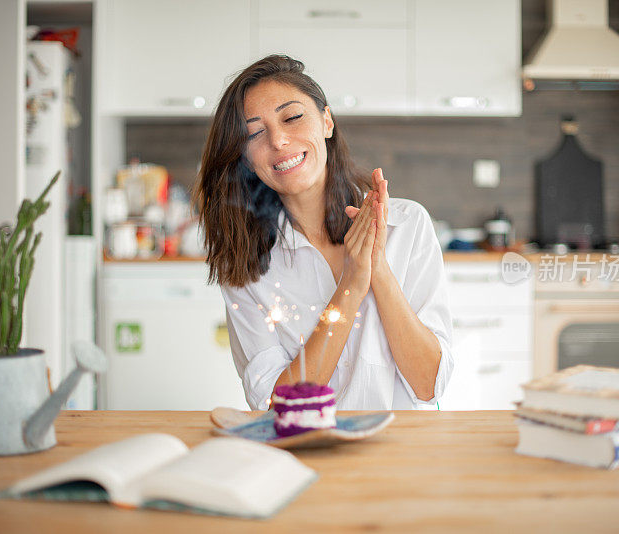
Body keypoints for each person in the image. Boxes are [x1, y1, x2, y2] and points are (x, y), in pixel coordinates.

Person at [193, 55, 453, 410]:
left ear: (326, 122)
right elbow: (276, 404)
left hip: (403, 453)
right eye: (255, 132)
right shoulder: (245, 264)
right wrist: (351, 284)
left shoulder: (406, 226)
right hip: (307, 451)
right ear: (245, 157)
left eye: (292, 117)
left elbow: (428, 386)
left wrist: (376, 267)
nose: (279, 140)